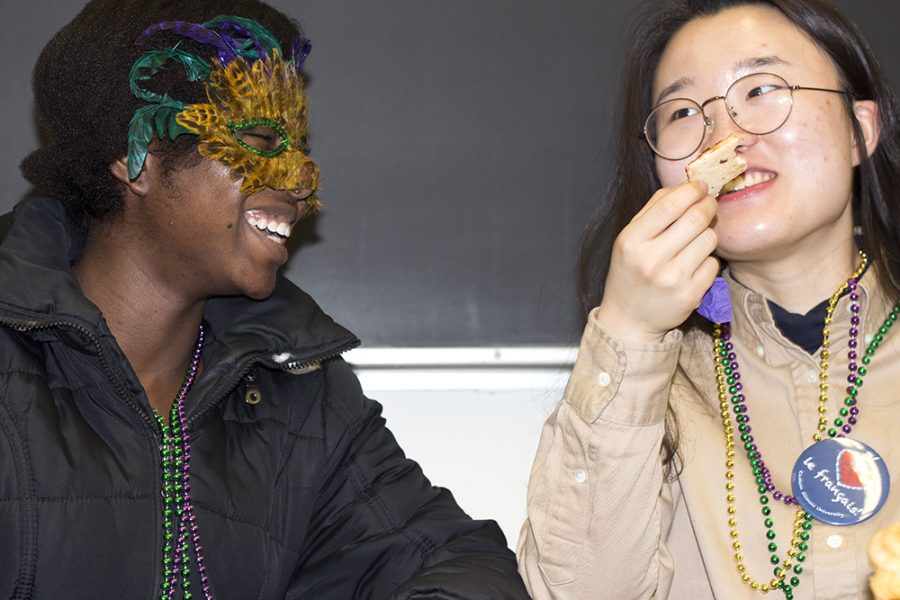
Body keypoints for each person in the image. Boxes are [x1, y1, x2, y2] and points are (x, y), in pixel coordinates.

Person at [0, 1, 531, 598]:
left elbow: (453, 558)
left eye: (300, 144)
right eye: (260, 137)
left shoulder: (298, 393)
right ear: (139, 153)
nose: (302, 177)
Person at [518, 0, 900, 598]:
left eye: (760, 89)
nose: (723, 136)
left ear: (860, 132)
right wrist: (630, 334)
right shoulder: (652, 385)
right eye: (683, 111)